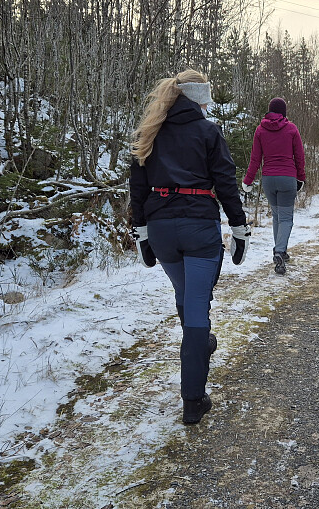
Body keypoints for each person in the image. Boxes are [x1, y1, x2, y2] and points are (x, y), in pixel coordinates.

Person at [129, 69, 251, 425]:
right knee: (197, 308)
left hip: (162, 229)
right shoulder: (208, 132)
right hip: (198, 227)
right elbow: (225, 183)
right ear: (202, 99)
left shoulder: (149, 133)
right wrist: (239, 227)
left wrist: (141, 232)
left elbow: (137, 188)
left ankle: (201, 344)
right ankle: (193, 400)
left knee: (185, 294)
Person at [241, 97, 305, 275]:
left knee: (277, 216)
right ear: (284, 112)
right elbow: (299, 157)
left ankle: (281, 250)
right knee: (285, 218)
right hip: (287, 178)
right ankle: (279, 251)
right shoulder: (291, 129)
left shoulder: (260, 130)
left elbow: (255, 159)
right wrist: (301, 178)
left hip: (268, 179)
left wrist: (248, 181)